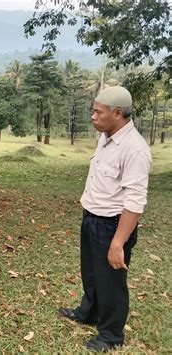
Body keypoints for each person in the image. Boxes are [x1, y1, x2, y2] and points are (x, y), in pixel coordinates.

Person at [58, 86, 152, 351]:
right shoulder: (107, 136)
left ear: (118, 113)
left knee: (111, 282)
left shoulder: (134, 150)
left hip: (112, 225)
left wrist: (117, 243)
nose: (93, 116)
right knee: (91, 273)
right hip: (92, 217)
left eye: (98, 112)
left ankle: (111, 335)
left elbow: (134, 201)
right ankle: (90, 312)